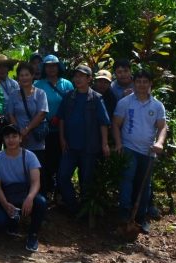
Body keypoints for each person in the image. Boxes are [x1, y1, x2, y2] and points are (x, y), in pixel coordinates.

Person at [112, 68, 167, 234]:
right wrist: (119, 143)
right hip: (128, 147)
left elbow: (162, 126)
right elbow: (115, 124)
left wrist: (160, 143)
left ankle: (140, 219)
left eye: (145, 82)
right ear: (133, 83)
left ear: (150, 84)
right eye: (138, 81)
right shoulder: (125, 102)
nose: (142, 85)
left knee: (144, 186)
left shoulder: (157, 105)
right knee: (127, 180)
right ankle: (124, 215)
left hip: (148, 151)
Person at [57, 65, 111, 217]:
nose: (78, 79)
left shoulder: (96, 98)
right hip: (70, 146)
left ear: (89, 79)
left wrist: (105, 144)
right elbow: (61, 119)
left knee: (86, 181)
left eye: (82, 76)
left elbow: (103, 123)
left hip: (89, 147)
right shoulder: (68, 96)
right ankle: (73, 207)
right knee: (62, 177)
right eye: (76, 76)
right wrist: (62, 138)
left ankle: (85, 212)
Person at [0, 124, 46, 252]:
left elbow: (36, 182)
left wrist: (30, 198)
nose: (11, 140)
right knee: (0, 221)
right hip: (8, 195)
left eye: (14, 136)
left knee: (41, 202)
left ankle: (33, 235)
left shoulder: (30, 156)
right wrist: (5, 204)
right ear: (3, 140)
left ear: (20, 138)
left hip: (25, 193)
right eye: (7, 137)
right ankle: (13, 223)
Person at [34, 54, 74, 199]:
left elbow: (71, 106)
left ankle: (59, 193)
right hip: (43, 131)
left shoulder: (67, 84)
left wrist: (60, 118)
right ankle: (46, 190)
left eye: (54, 65)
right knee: (45, 162)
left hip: (62, 131)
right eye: (48, 66)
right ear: (44, 68)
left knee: (61, 162)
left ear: (59, 66)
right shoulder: (38, 85)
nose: (51, 68)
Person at [7, 62, 49, 163]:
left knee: (36, 170)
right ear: (18, 77)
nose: (24, 78)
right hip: (18, 141)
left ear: (32, 76)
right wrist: (19, 132)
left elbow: (42, 113)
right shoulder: (13, 94)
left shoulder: (40, 93)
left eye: (27, 75)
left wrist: (27, 129)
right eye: (21, 75)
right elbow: (10, 114)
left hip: (36, 140)